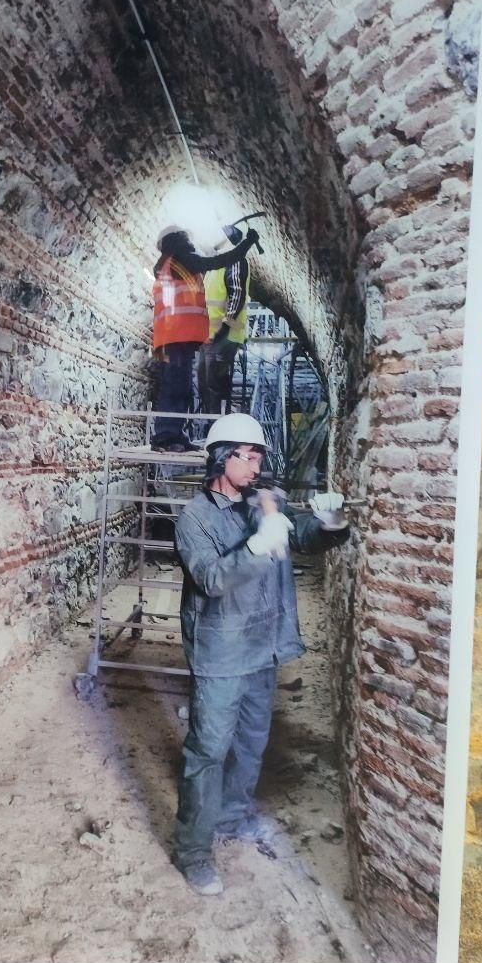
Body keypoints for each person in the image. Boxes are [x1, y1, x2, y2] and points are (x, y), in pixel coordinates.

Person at [171, 412, 350, 895]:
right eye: (245, 458)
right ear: (219, 458)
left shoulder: (264, 503)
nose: (254, 467)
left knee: (250, 742)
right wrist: (256, 546)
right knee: (208, 751)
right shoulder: (193, 519)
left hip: (261, 649)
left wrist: (331, 523)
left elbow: (305, 536)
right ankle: (192, 850)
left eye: (258, 458)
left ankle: (231, 816)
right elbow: (210, 579)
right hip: (222, 653)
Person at [152, 224, 259, 451]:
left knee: (180, 386)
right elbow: (215, 262)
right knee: (177, 386)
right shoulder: (182, 259)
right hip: (177, 335)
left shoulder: (170, 263)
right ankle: (166, 436)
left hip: (175, 335)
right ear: (180, 239)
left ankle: (174, 434)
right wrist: (246, 244)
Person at [198, 224, 250, 417]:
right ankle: (212, 425)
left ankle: (217, 426)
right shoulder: (215, 265)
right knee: (204, 382)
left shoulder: (235, 260)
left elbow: (237, 294)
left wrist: (225, 328)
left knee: (214, 385)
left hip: (225, 335)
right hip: (210, 335)